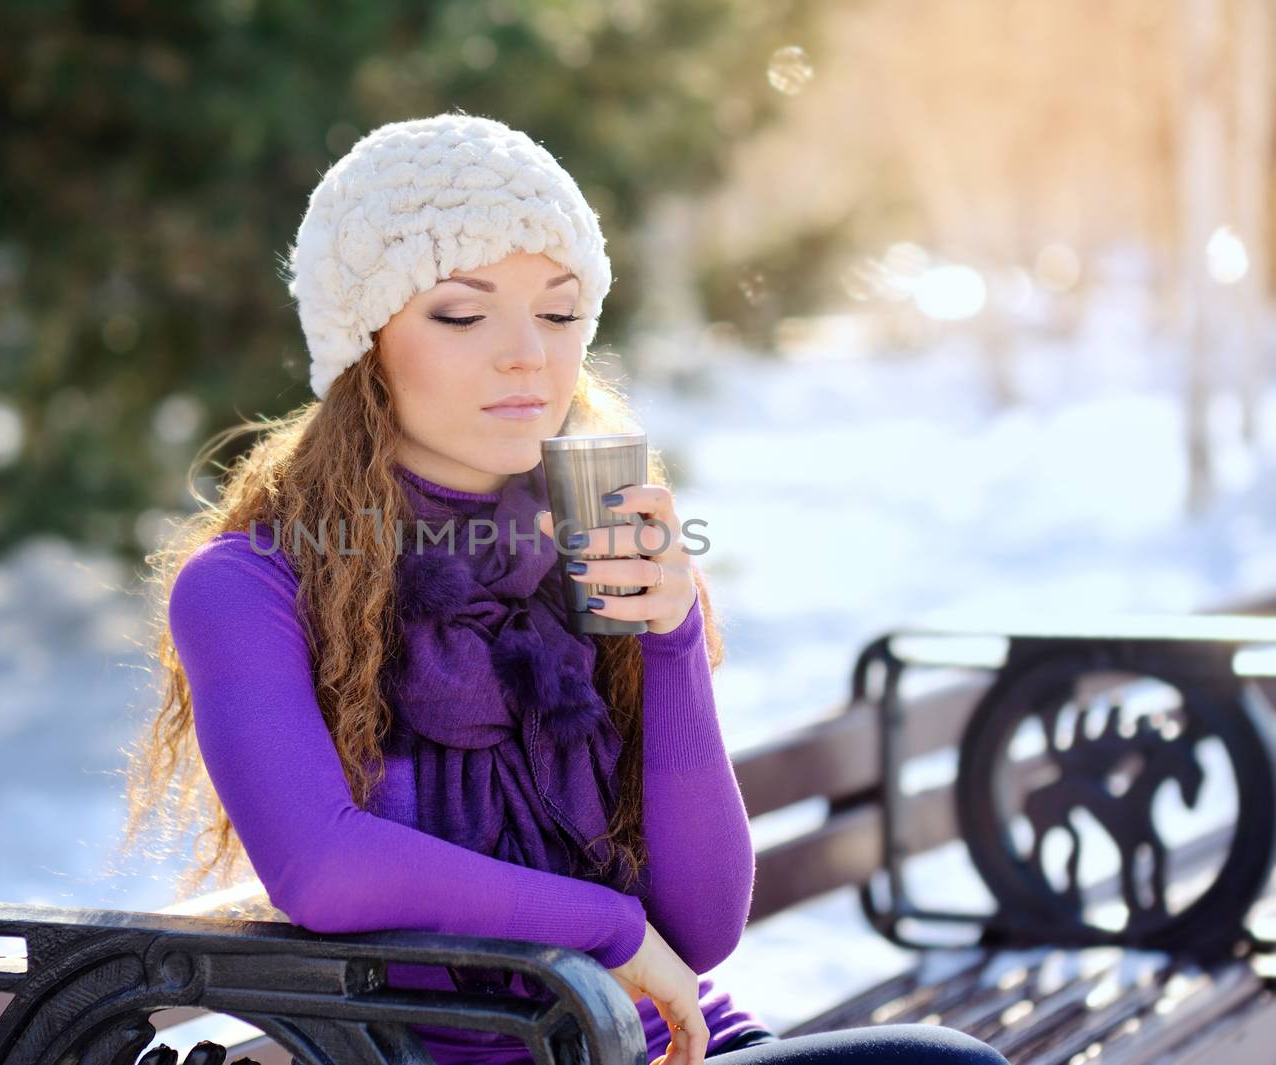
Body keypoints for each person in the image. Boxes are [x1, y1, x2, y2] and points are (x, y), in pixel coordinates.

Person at [125, 111, 1009, 1065]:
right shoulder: (250, 583)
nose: (528, 355)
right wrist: (610, 930)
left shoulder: (594, 538)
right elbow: (322, 866)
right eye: (462, 312)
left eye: (558, 312)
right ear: (363, 341)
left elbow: (703, 926)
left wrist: (670, 641)